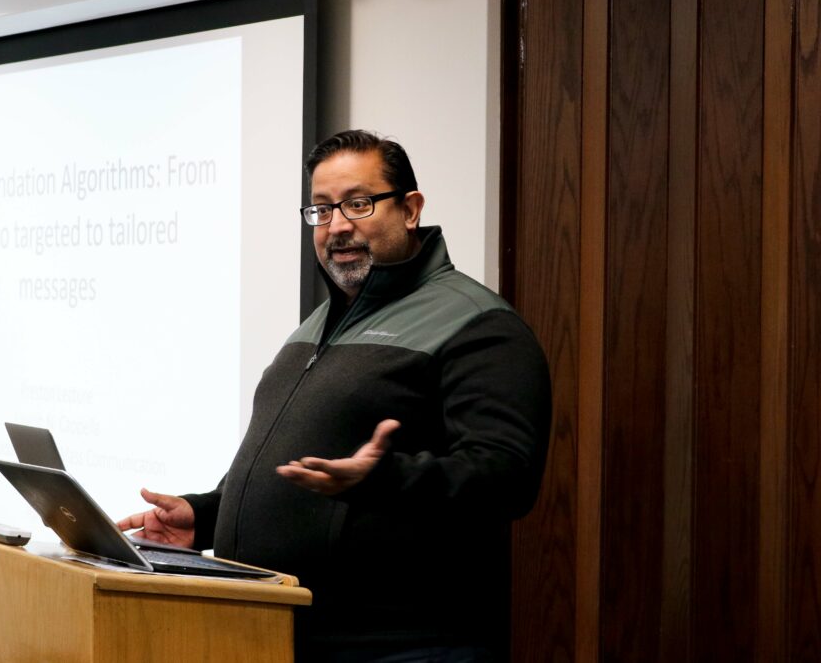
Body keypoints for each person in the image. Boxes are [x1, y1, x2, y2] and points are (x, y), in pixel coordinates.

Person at [118, 130, 551, 662]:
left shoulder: (477, 324)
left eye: (358, 203)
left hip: (403, 645)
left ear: (410, 209)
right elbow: (288, 468)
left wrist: (385, 479)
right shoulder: (317, 325)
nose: (338, 226)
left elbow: (507, 478)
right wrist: (203, 515)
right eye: (321, 210)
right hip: (280, 634)